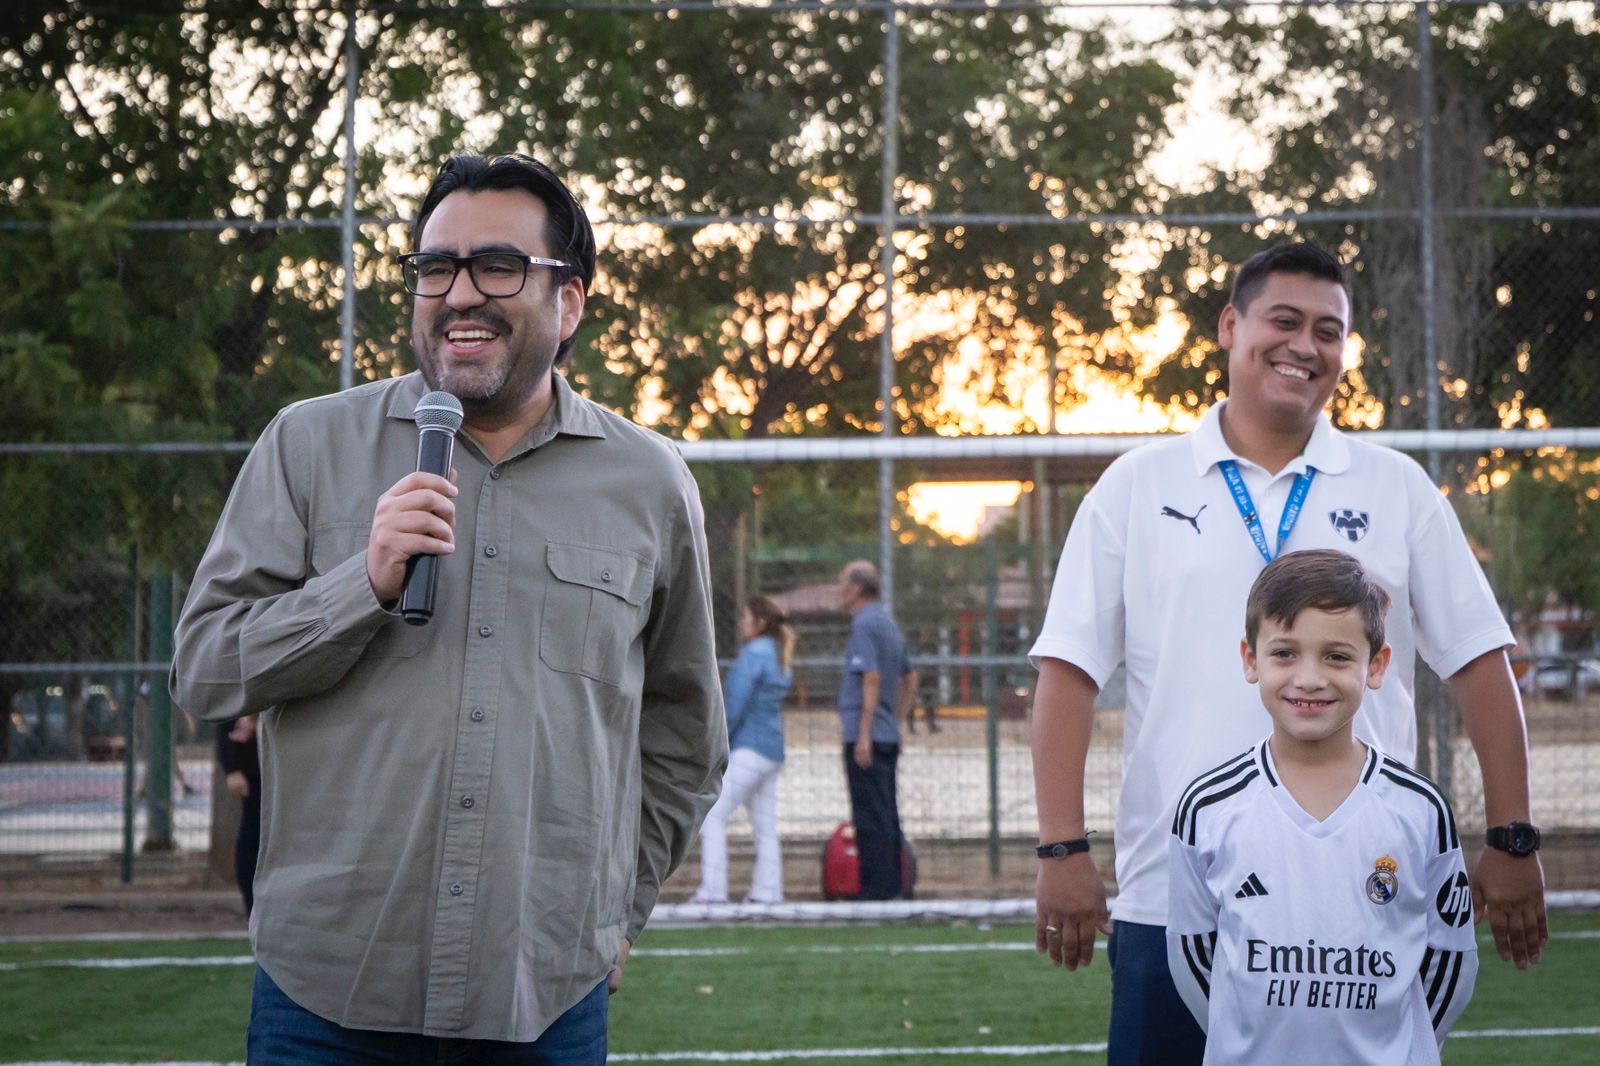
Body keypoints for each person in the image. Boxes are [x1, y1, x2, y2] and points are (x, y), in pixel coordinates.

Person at [171, 151, 727, 1064]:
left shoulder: (649, 480)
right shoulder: (310, 443)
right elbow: (204, 668)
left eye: (498, 266)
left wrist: (615, 911)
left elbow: (684, 729)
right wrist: (364, 582)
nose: (460, 293)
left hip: (541, 997)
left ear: (570, 301)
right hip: (326, 993)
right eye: (436, 268)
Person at [1029, 241, 1545, 1066]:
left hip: (1362, 891)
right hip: (1176, 890)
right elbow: (1068, 675)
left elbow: (1481, 665)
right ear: (1231, 326)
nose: (1306, 346)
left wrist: (1514, 840)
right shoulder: (1137, 485)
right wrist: (1062, 850)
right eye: (1285, 321)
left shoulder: (1395, 488)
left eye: (1329, 331)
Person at [1167, 549, 1477, 1064]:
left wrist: (1397, 1048)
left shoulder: (1419, 809)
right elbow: (1195, 959)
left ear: (1375, 666)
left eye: (1336, 656)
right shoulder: (1207, 808)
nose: (1309, 678)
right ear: (1250, 660)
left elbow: (1449, 961)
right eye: (1285, 653)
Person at [692, 595, 796, 904]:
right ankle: (768, 892)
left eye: (744, 617)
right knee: (765, 827)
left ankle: (712, 892)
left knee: (711, 815)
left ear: (759, 622)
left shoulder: (753, 653)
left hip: (749, 749)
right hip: (772, 750)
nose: (740, 623)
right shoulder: (778, 652)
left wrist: (719, 744)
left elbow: (735, 704)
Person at [835, 560, 919, 901]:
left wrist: (865, 732)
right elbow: (910, 677)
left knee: (869, 817)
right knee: (887, 813)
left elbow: (871, 677)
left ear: (856, 588)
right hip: (886, 733)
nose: (838, 589)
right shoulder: (887, 623)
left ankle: (877, 894)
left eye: (842, 582)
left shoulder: (864, 625)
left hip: (865, 735)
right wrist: (896, 722)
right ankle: (893, 888)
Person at [215, 713, 261, 915]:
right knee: (253, 832)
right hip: (254, 768)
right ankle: (252, 905)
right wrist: (232, 768)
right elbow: (225, 720)